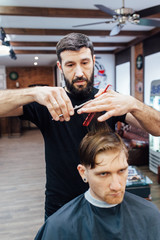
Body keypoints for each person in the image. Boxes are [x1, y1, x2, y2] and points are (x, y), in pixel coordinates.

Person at [0, 33, 160, 219]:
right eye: (70, 65)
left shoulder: (109, 100)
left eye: (84, 63)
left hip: (105, 198)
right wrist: (33, 93)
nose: (79, 72)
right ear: (60, 67)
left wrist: (134, 104)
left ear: (93, 61)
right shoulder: (48, 100)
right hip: (60, 203)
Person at [34, 127, 160, 240]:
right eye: (104, 174)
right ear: (83, 173)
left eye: (121, 171)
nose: (116, 186)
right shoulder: (59, 226)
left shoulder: (150, 215)